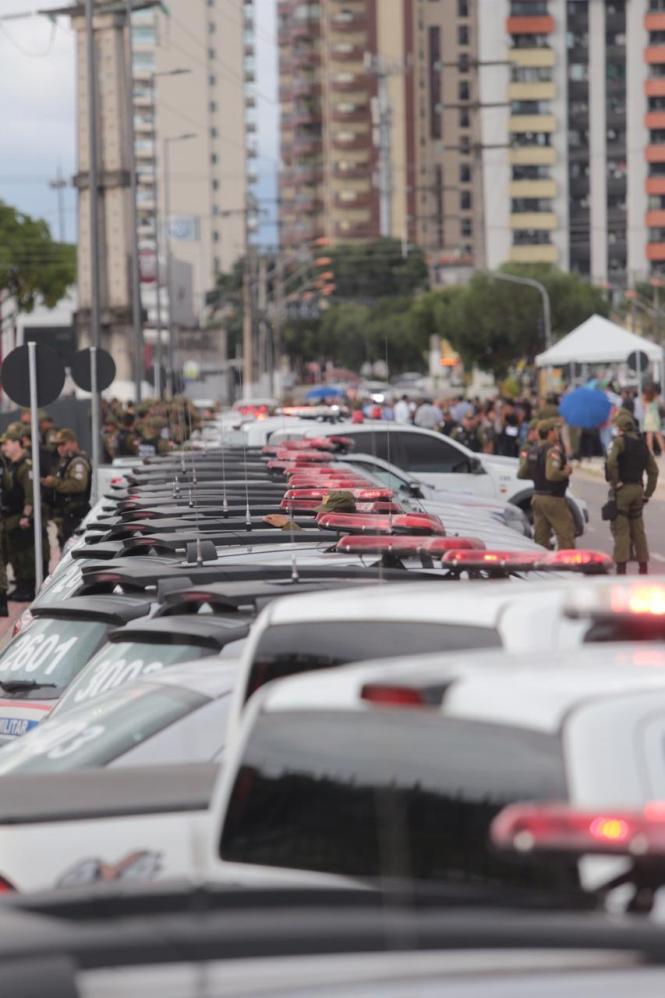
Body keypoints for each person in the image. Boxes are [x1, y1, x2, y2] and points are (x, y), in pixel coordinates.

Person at [606, 409, 659, 575]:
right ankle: (643, 567)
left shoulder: (619, 442)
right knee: (638, 530)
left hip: (623, 490)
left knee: (621, 530)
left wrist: (616, 482)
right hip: (638, 490)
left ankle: (621, 569)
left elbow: (611, 462)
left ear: (620, 427)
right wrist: (647, 493)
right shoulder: (642, 444)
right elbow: (654, 471)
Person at [1, 430, 36, 603]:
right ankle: (21, 585)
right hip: (11, 516)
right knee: (15, 554)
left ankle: (27, 587)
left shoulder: (26, 466)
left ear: (17, 443)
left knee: (24, 554)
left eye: (6, 444)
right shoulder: (12, 465)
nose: (3, 448)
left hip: (20, 517)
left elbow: (30, 495)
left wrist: (26, 516)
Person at [530, 419, 576, 551]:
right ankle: (566, 562)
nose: (557, 433)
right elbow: (551, 475)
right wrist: (566, 472)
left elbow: (523, 473)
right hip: (553, 498)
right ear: (550, 432)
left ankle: (541, 562)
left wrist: (537, 476)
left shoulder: (533, 450)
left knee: (540, 538)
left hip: (537, 496)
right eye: (555, 430)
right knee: (566, 535)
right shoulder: (552, 451)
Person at [41, 429, 91, 548]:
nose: (60, 448)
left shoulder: (78, 462)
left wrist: (54, 482)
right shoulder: (66, 461)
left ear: (73, 443)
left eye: (63, 444)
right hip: (66, 515)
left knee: (73, 549)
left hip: (76, 514)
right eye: (58, 445)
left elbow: (78, 485)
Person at [643, 385, 665, 457]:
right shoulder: (656, 398)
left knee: (649, 436)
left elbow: (644, 408)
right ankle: (663, 451)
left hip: (648, 419)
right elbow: (662, 405)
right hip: (655, 418)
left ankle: (650, 452)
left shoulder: (645, 399)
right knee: (659, 436)